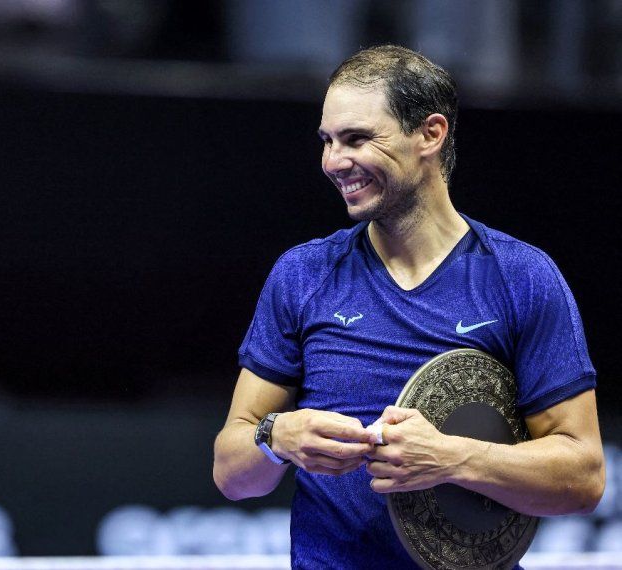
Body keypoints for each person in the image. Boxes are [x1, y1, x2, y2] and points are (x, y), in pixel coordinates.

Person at [212, 45, 605, 569]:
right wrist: (276, 437)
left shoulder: (522, 277)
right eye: (327, 141)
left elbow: (583, 479)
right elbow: (231, 475)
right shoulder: (302, 275)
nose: (333, 162)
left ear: (431, 134)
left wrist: (450, 459)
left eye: (357, 139)